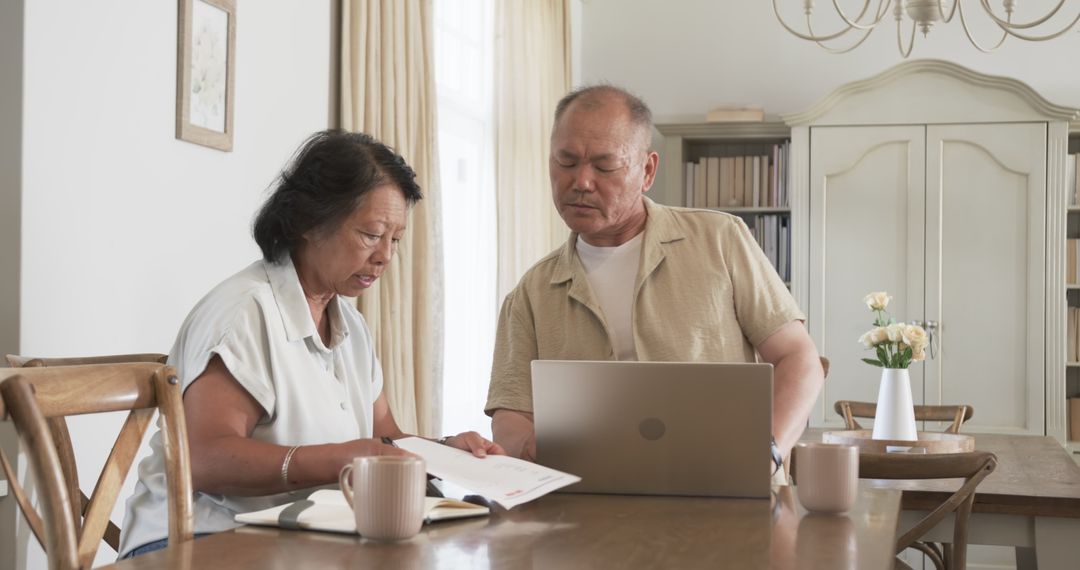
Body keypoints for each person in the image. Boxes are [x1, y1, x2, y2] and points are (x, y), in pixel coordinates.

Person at [120, 130, 503, 558]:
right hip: (195, 545)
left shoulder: (351, 327)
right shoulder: (245, 314)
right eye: (372, 234)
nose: (385, 257)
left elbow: (386, 439)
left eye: (395, 239)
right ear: (308, 223)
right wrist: (338, 459)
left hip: (294, 545)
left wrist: (445, 451)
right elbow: (204, 458)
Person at [485, 85, 824, 472]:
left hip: (722, 495)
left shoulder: (720, 241)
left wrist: (768, 452)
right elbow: (510, 416)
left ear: (646, 170)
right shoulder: (531, 292)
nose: (581, 181)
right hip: (589, 505)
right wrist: (528, 444)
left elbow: (798, 357)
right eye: (565, 161)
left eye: (603, 165)